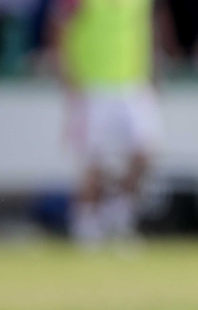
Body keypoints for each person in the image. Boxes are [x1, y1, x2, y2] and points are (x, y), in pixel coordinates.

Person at [49, 0, 161, 245]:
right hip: (93, 85)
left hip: (133, 83)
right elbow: (59, 26)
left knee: (146, 151)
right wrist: (68, 77)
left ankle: (118, 214)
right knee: (93, 158)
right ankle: (86, 223)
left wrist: (154, 73)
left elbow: (148, 30)